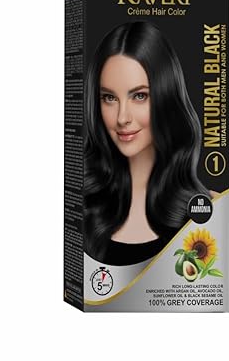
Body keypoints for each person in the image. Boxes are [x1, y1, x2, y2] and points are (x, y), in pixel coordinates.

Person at [84, 21, 210, 264]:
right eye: (109, 98)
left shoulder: (207, 208)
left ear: (166, 97)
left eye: (139, 96)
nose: (122, 118)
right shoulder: (80, 207)